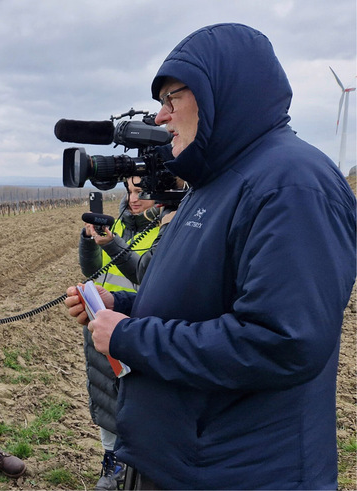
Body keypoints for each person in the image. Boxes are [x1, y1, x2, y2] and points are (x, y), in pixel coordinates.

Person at [66, 24, 356, 489]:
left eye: (172, 98)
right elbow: (205, 299)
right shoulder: (215, 183)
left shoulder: (292, 184)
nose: (160, 116)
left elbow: (281, 342)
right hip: (185, 458)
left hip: (241, 472)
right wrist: (125, 307)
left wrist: (131, 337)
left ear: (221, 94)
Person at [77, 176, 159, 490]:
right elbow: (92, 270)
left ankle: (136, 465)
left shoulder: (165, 231)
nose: (133, 198)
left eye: (142, 191)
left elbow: (146, 277)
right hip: (102, 327)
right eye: (129, 191)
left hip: (135, 329)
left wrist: (113, 244)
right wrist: (89, 240)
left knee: (138, 404)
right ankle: (112, 462)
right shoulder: (120, 225)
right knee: (106, 400)